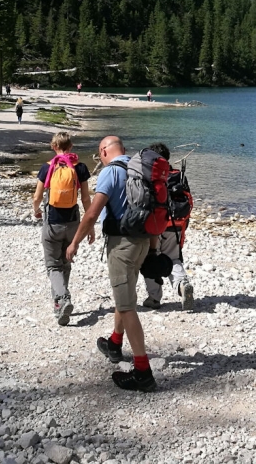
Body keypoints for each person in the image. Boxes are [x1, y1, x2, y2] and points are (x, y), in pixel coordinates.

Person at [67, 136, 157, 392]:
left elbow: (92, 213)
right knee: (124, 294)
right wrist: (153, 249)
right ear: (124, 150)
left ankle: (143, 372)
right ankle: (115, 343)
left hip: (121, 246)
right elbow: (151, 209)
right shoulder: (140, 169)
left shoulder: (111, 172)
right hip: (143, 242)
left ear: (104, 151)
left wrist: (74, 242)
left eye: (100, 155)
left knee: (127, 307)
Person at [32, 131, 92, 326]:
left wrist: (36, 210)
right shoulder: (80, 168)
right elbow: (85, 199)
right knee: (65, 263)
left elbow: (37, 197)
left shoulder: (47, 167)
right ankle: (59, 306)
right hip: (73, 223)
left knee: (53, 266)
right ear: (71, 146)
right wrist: (90, 226)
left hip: (52, 223)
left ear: (53, 146)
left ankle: (63, 297)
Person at [142, 142, 195, 312]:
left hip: (156, 225)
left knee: (151, 258)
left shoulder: (150, 175)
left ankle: (154, 298)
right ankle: (182, 285)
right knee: (174, 258)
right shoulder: (178, 175)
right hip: (176, 224)